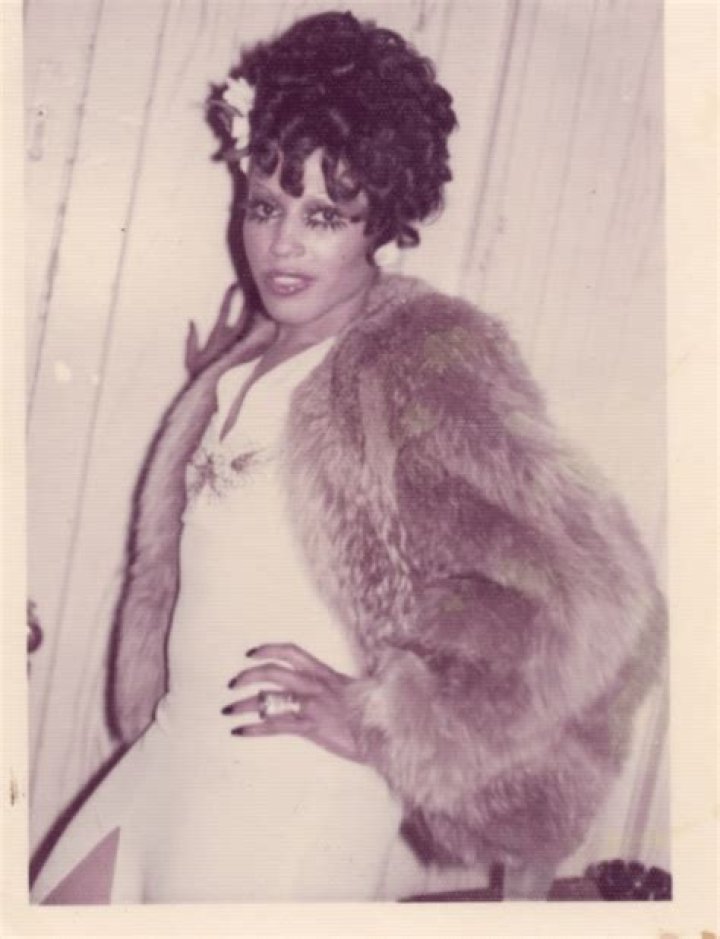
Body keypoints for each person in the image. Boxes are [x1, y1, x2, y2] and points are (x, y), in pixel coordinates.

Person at [31, 11, 666, 903]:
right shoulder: (248, 360)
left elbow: (600, 592)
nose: (283, 245)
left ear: (381, 226)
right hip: (172, 754)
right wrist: (228, 381)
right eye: (265, 206)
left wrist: (383, 721)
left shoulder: (420, 359)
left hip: (294, 802)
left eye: (325, 215)